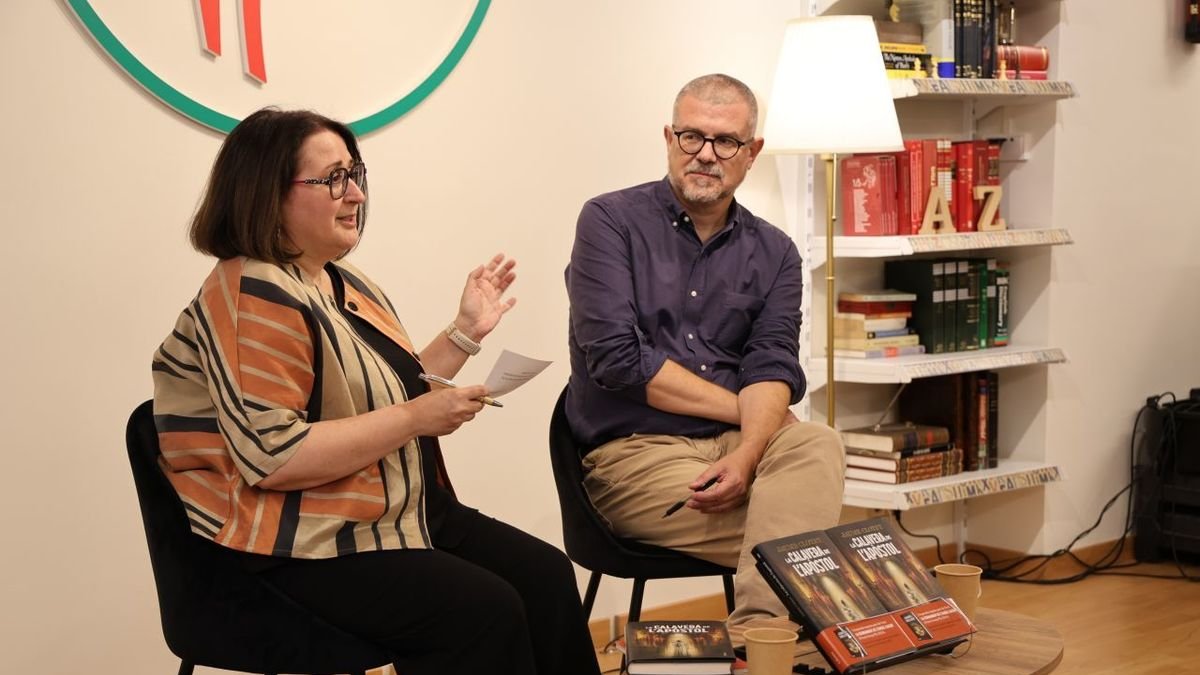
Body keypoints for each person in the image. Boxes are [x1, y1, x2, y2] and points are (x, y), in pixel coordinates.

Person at [152, 108, 600, 675]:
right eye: (334, 178)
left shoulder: (342, 280)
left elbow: (393, 393)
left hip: (390, 510)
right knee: (483, 611)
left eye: (355, 174)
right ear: (267, 192)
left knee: (544, 575)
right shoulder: (252, 290)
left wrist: (464, 332)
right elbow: (274, 456)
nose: (357, 195)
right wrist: (418, 417)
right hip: (297, 537)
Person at [564, 74, 845, 646]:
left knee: (819, 443)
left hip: (737, 446)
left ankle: (755, 639)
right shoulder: (609, 221)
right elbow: (619, 360)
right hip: (635, 454)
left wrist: (747, 451)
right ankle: (770, 644)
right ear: (669, 138)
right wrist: (751, 417)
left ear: (752, 152)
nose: (706, 155)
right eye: (692, 136)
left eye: (726, 142)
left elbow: (772, 363)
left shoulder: (775, 252)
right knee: (812, 541)